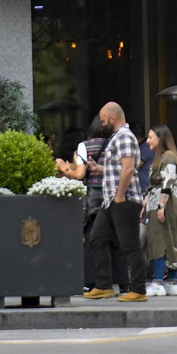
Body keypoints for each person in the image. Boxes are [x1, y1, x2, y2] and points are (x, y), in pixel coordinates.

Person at [83, 102, 147, 301]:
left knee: (130, 245)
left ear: (112, 118)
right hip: (111, 200)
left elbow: (128, 169)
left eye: (104, 120)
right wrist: (98, 168)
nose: (102, 124)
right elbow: (119, 168)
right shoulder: (117, 138)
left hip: (123, 199)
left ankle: (138, 290)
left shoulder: (125, 137)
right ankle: (103, 285)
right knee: (97, 238)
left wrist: (119, 196)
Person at [59, 118, 113, 295]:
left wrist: (65, 168)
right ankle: (124, 283)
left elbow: (80, 174)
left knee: (92, 239)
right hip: (113, 195)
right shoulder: (115, 143)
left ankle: (91, 281)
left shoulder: (84, 146)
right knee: (116, 241)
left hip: (94, 199)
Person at [143, 125, 177, 296]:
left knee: (161, 240)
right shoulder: (165, 157)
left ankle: (158, 281)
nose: (147, 141)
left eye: (151, 137)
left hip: (165, 204)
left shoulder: (168, 157)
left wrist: (161, 207)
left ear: (160, 139)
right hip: (159, 202)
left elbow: (167, 183)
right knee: (167, 240)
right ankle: (170, 281)